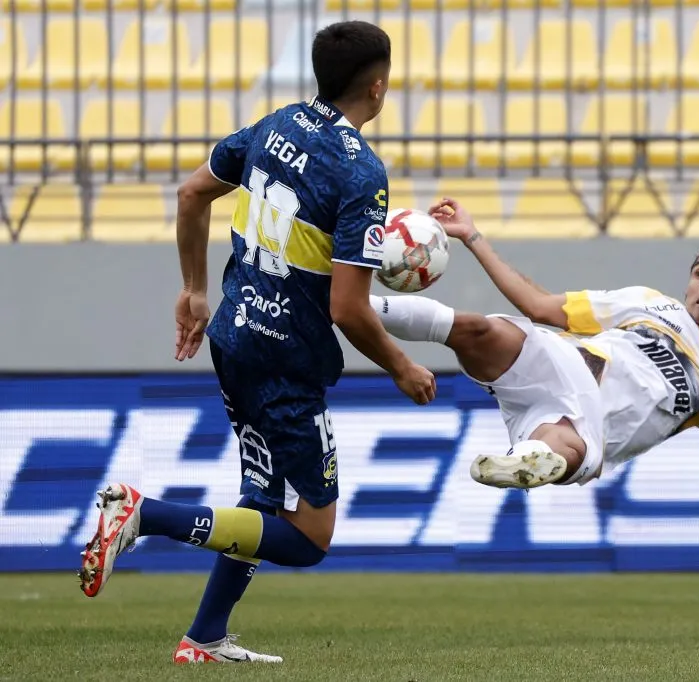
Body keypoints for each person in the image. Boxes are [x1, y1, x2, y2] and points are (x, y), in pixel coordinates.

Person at [77, 21, 435, 664]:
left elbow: (192, 193)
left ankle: (205, 636)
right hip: (288, 358)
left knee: (265, 495)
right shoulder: (362, 173)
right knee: (310, 537)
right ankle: (143, 514)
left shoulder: (277, 124)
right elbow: (348, 308)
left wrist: (193, 290)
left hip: (235, 337)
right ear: (378, 87)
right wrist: (402, 366)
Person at [368, 197, 699, 594]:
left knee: (564, 444)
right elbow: (540, 306)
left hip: (589, 423)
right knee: (479, 330)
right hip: (561, 362)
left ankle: (529, 460)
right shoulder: (650, 304)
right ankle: (350, 307)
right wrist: (472, 236)